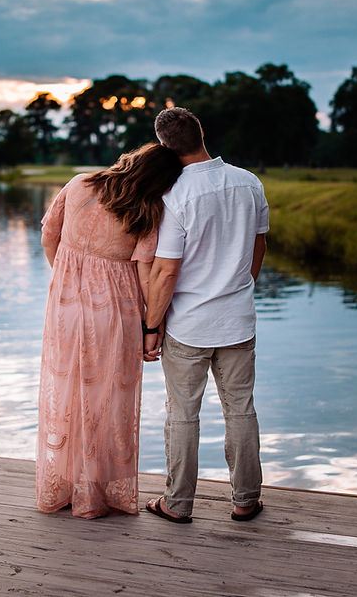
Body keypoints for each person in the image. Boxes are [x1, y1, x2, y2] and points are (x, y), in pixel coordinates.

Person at [36, 143, 183, 519]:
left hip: (65, 306)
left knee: (67, 394)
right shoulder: (150, 210)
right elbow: (145, 275)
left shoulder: (79, 183)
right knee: (107, 401)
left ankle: (65, 487)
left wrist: (68, 280)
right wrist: (153, 326)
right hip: (117, 311)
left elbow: (48, 237)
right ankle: (95, 492)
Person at [142, 107, 269, 524]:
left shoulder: (174, 195)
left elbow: (166, 270)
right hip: (238, 321)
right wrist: (237, 287)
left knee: (182, 414)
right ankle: (246, 500)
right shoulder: (249, 182)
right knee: (241, 410)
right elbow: (257, 248)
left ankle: (177, 505)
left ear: (164, 146)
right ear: (202, 134)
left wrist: (151, 325)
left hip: (189, 326)